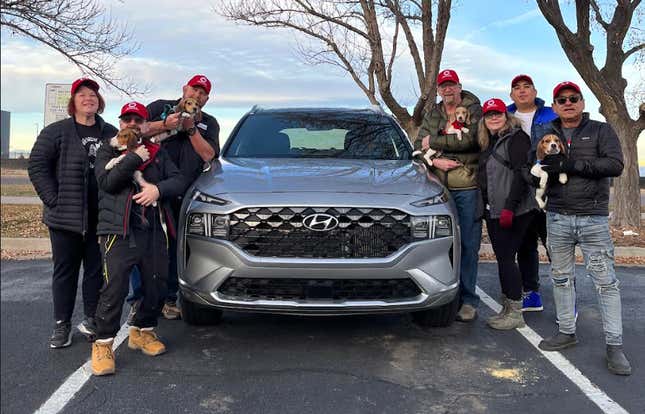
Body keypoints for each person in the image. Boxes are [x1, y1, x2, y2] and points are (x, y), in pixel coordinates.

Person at [537, 81, 631, 376]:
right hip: (557, 217)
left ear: (581, 102)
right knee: (561, 278)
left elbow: (615, 165)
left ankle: (614, 346)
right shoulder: (544, 133)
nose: (567, 103)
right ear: (554, 106)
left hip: (592, 218)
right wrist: (534, 176)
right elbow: (535, 165)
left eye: (573, 98)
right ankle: (567, 331)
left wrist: (571, 165)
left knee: (606, 282)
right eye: (561, 99)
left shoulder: (601, 130)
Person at [90, 102, 187, 376]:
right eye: (127, 119)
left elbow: (178, 181)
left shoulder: (159, 153)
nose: (132, 123)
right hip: (119, 230)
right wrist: (133, 156)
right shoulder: (106, 150)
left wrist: (157, 190)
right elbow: (108, 183)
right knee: (115, 288)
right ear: (120, 123)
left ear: (146, 125)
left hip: (154, 228)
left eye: (138, 120)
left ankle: (143, 331)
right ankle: (102, 343)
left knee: (156, 283)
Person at [28, 78, 118, 348]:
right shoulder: (56, 132)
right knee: (65, 271)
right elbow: (37, 166)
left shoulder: (110, 133)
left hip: (98, 217)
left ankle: (91, 319)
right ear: (73, 101)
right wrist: (53, 199)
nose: (88, 98)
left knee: (95, 271)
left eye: (93, 95)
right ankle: (61, 324)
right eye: (82, 95)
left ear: (99, 102)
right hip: (64, 218)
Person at [132, 75, 220, 320]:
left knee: (175, 249)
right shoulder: (160, 107)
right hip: (150, 189)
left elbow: (208, 155)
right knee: (142, 246)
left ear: (207, 99)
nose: (197, 96)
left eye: (202, 93)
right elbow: (136, 131)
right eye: (194, 89)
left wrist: (191, 128)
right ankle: (138, 299)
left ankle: (169, 299)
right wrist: (166, 125)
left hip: (186, 193)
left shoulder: (209, 124)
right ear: (184, 89)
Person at [417, 69, 483, 322]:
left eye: (451, 85)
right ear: (438, 90)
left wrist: (434, 141)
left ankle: (468, 301)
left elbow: (471, 142)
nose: (447, 90)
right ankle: (441, 296)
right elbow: (417, 145)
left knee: (468, 244)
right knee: (438, 245)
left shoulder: (473, 110)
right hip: (437, 188)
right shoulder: (433, 113)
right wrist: (436, 162)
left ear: (459, 86)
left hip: (466, 186)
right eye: (443, 86)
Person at [477, 98, 537, 330]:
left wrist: (510, 208)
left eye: (498, 113)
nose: (494, 117)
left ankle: (515, 313)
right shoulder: (489, 142)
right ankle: (507, 307)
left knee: (506, 258)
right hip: (494, 209)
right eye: (489, 114)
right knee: (503, 258)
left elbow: (522, 175)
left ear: (506, 115)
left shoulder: (517, 138)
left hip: (514, 210)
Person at [507, 74, 558, 312]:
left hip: (549, 191)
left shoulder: (551, 115)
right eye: (517, 88)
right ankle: (531, 292)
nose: (522, 91)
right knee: (525, 246)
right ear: (511, 95)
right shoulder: (504, 117)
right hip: (521, 191)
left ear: (535, 92)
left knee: (555, 245)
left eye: (527, 87)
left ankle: (567, 294)